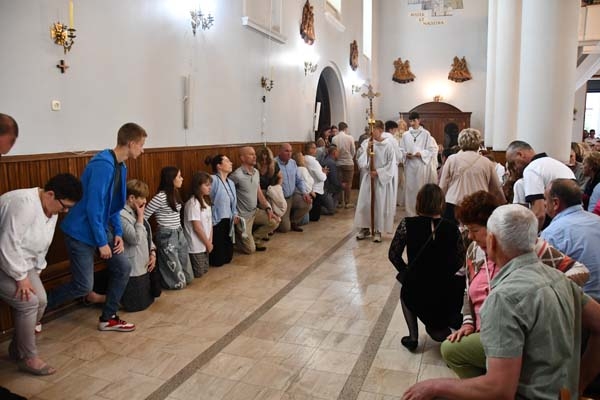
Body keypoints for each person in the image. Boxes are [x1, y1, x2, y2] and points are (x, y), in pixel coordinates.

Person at [403, 204, 600, 400]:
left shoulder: (503, 298)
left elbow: (499, 390)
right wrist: (581, 381)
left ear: (492, 241)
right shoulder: (560, 279)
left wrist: (435, 386)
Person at [441, 190, 589, 379]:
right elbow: (468, 289)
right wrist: (468, 322)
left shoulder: (528, 248)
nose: (470, 236)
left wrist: (547, 289)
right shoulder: (474, 251)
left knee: (451, 351)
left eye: (475, 230)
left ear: (494, 229)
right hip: (485, 331)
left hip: (514, 335)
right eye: (467, 230)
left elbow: (580, 271)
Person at [47, 122, 147, 332]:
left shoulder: (121, 166)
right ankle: (38, 308)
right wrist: (102, 242)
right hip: (81, 232)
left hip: (100, 228)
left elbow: (113, 206)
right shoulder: (103, 164)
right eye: (141, 144)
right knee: (83, 285)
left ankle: (108, 317)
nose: (143, 149)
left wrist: (117, 232)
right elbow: (94, 207)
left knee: (123, 267)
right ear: (131, 143)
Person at [0, 174, 81, 376]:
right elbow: (7, 245)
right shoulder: (23, 204)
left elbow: (42, 246)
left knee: (42, 300)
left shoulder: (51, 208)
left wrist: (34, 273)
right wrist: (21, 278)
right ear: (50, 194)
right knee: (29, 302)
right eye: (64, 206)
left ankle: (17, 349)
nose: (65, 211)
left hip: (21, 261)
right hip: (5, 258)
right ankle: (28, 357)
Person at [389, 184, 464, 351]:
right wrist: (446, 272)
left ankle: (413, 337)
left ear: (419, 202)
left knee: (405, 291)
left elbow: (393, 255)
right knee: (438, 332)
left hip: (417, 286)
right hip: (446, 287)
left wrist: (407, 272)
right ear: (441, 203)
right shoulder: (452, 227)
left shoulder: (407, 224)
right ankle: (442, 326)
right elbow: (461, 259)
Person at [542, 179, 600, 302]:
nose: (544, 204)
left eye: (545, 199)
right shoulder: (597, 220)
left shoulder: (551, 233)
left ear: (555, 203)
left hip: (582, 304)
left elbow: (545, 281)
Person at [505, 140, 575, 230]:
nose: (514, 168)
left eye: (512, 164)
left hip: (559, 225)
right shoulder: (554, 164)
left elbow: (539, 214)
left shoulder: (532, 169)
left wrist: (530, 237)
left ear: (520, 154)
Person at [439, 128, 505, 222]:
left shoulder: (452, 159)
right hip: (478, 204)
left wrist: (440, 204)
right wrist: (503, 203)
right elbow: (496, 188)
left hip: (453, 204)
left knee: (453, 230)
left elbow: (443, 185)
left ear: (460, 142)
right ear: (478, 142)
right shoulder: (486, 162)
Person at [144, 167, 193, 289]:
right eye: (179, 176)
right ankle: (166, 282)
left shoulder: (175, 193)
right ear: (171, 179)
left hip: (179, 232)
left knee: (188, 276)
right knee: (178, 282)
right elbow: (144, 215)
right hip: (167, 234)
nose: (182, 179)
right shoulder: (160, 197)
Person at [119, 179, 161, 312]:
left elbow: (147, 234)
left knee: (148, 299)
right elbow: (135, 239)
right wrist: (141, 217)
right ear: (131, 198)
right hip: (134, 266)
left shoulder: (136, 211)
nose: (145, 201)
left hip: (145, 261)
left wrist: (153, 252)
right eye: (142, 198)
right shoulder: (121, 215)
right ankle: (99, 298)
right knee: (136, 305)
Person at [230, 147, 279, 253]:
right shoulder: (237, 175)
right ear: (242, 158)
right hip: (243, 217)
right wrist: (233, 214)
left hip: (254, 212)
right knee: (250, 250)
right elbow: (228, 195)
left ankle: (254, 238)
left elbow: (259, 193)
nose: (254, 156)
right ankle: (239, 239)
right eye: (251, 154)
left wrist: (268, 208)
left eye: (254, 154)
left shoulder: (256, 172)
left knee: (275, 221)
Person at [354, 120, 397, 243]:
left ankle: (378, 229)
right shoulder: (367, 143)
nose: (371, 133)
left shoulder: (388, 145)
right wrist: (367, 152)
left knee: (379, 205)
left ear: (381, 130)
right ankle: (365, 228)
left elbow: (391, 164)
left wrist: (378, 172)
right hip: (369, 179)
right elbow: (361, 162)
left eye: (373, 130)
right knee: (365, 204)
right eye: (369, 130)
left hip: (380, 180)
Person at [399, 112, 438, 216]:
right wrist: (405, 154)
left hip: (421, 164)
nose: (412, 123)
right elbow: (401, 149)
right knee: (410, 189)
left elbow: (431, 149)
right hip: (409, 165)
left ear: (419, 120)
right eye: (410, 121)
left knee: (420, 188)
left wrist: (421, 153)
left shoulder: (426, 134)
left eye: (414, 121)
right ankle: (410, 213)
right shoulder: (405, 135)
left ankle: (420, 211)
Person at [206, 154, 238, 266]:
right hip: (217, 221)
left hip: (228, 220)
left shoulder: (231, 183)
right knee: (218, 261)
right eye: (227, 161)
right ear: (219, 166)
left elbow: (233, 202)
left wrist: (235, 214)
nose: (231, 163)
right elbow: (207, 198)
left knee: (228, 258)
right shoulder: (213, 180)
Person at [275, 143, 312, 233]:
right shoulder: (274, 163)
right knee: (285, 229)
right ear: (279, 152)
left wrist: (304, 193)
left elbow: (298, 180)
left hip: (292, 195)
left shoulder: (293, 163)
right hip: (281, 199)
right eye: (286, 151)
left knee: (307, 203)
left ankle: (293, 221)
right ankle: (281, 222)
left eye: (291, 151)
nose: (289, 153)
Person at [183, 172, 213, 278]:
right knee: (199, 273)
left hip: (205, 243)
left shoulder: (206, 201)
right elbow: (197, 227)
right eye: (206, 185)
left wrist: (210, 241)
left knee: (205, 270)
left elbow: (210, 223)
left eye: (210, 185)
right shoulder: (193, 204)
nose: (209, 187)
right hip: (196, 245)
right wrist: (207, 243)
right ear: (198, 186)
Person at [331, 122, 356, 208]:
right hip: (348, 163)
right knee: (348, 183)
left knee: (340, 182)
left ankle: (339, 202)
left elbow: (333, 151)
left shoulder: (334, 138)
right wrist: (350, 157)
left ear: (339, 128)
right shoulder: (350, 137)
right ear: (346, 128)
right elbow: (353, 150)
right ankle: (347, 202)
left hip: (338, 163)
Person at [304, 141, 328, 222]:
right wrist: (324, 173)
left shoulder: (304, 158)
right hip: (316, 189)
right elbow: (322, 178)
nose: (315, 150)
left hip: (310, 188)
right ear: (309, 149)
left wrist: (321, 171)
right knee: (315, 217)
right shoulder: (313, 161)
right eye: (314, 148)